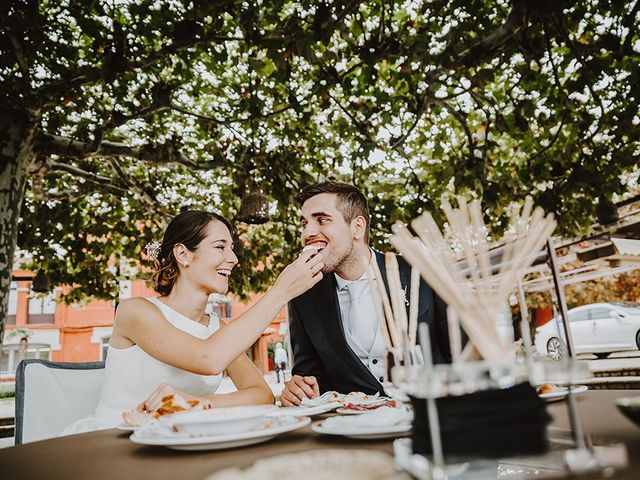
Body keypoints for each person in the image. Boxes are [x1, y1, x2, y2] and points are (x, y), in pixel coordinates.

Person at [63, 210, 324, 433]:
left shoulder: (218, 331)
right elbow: (207, 359)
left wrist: (196, 403)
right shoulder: (135, 311)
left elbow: (262, 395)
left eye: (232, 249)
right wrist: (281, 292)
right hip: (113, 441)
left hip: (176, 443)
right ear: (183, 254)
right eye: (220, 247)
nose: (233, 259)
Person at [280, 182, 450, 407]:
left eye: (322, 220)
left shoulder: (421, 271)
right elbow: (310, 380)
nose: (308, 232)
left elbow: (458, 355)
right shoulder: (303, 295)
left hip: (431, 419)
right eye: (304, 223)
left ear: (357, 227)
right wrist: (299, 389)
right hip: (355, 429)